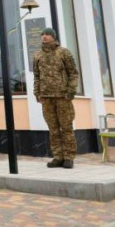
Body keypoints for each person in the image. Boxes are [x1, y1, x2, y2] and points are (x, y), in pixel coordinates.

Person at [33, 27, 79, 169]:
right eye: (43, 34)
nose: (44, 37)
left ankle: (69, 157)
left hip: (62, 96)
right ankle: (58, 156)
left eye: (47, 34)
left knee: (66, 127)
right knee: (53, 129)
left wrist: (70, 92)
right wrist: (37, 93)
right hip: (46, 97)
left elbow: (73, 73)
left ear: (53, 37)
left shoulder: (64, 53)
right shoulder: (37, 55)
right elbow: (36, 76)